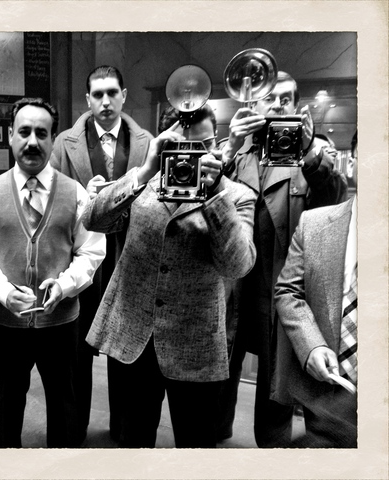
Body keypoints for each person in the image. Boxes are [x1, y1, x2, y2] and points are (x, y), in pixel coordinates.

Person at [83, 104, 256, 448]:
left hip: (196, 343)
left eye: (204, 146)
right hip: (133, 337)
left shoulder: (236, 196)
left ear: (216, 143)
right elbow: (93, 219)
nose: (194, 156)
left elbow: (237, 266)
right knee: (132, 443)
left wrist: (214, 192)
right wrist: (146, 169)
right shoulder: (142, 184)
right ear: (163, 145)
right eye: (181, 147)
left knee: (196, 447)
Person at [0, 98, 106, 448]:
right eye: (24, 132)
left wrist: (66, 285)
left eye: (42, 133)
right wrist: (3, 291)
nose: (32, 142)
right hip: (6, 324)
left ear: (53, 139)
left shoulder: (75, 192)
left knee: (63, 399)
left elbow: (91, 251)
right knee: (9, 400)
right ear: (10, 136)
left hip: (61, 323)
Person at [217, 71, 349, 447]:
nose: (277, 105)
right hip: (233, 285)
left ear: (297, 106)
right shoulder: (237, 149)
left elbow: (334, 202)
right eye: (269, 98)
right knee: (222, 369)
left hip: (281, 286)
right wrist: (228, 148)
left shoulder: (314, 151)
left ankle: (271, 452)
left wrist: (308, 152)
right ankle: (214, 440)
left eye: (286, 99)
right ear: (254, 102)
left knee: (276, 382)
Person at [50, 65, 153, 442]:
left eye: (112, 93)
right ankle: (73, 429)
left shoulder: (146, 142)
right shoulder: (64, 143)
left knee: (126, 344)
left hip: (130, 253)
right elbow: (52, 198)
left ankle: (125, 429)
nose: (105, 101)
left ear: (124, 95)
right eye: (97, 94)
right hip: (80, 255)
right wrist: (84, 197)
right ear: (87, 99)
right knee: (76, 347)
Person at [272, 130, 358, 447]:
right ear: (353, 162)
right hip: (327, 387)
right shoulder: (314, 223)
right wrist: (311, 345)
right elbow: (288, 291)